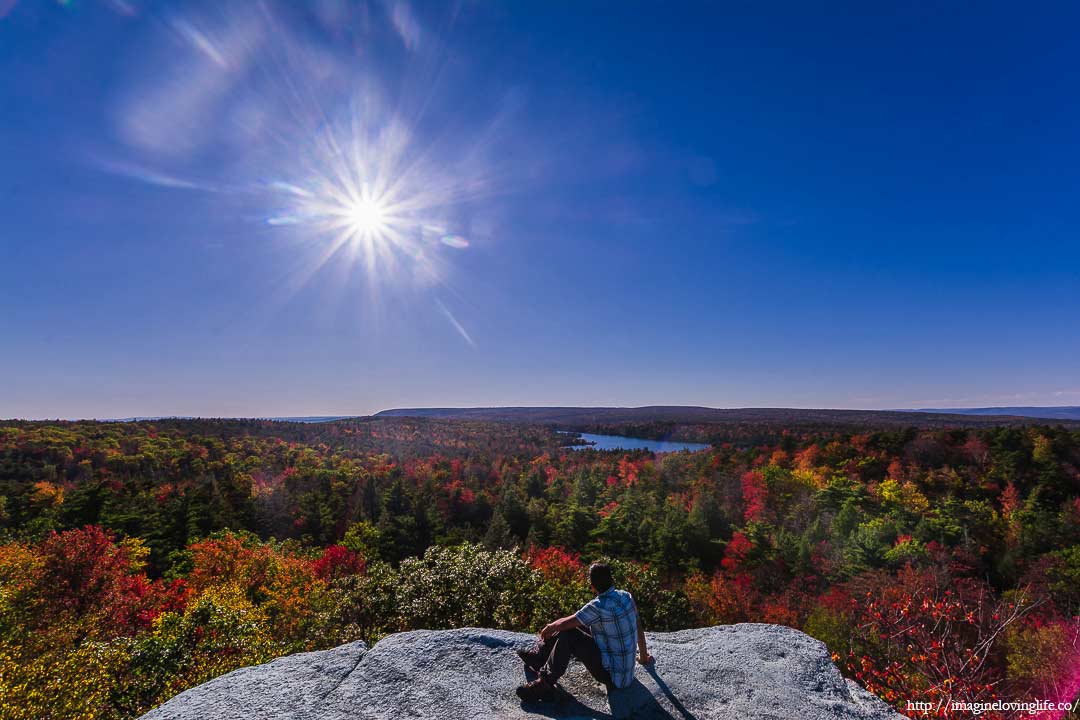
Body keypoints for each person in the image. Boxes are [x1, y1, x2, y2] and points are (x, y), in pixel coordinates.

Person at [515, 562, 653, 703]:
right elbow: (638, 626)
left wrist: (550, 627)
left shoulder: (598, 606)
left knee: (568, 633)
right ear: (612, 580)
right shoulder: (626, 596)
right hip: (626, 674)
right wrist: (643, 657)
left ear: (592, 586)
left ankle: (545, 683)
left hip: (611, 677)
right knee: (575, 626)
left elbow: (564, 623)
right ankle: (540, 657)